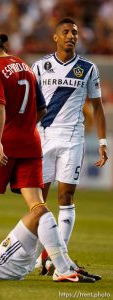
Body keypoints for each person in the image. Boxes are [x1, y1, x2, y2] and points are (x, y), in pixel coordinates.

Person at [31, 18, 108, 274]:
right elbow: (29, 104)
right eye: (65, 32)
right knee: (37, 200)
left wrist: (102, 141)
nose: (71, 36)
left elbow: (97, 107)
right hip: (43, 137)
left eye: (74, 32)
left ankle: (55, 257)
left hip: (73, 139)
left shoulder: (87, 68)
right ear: (55, 37)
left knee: (66, 197)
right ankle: (40, 256)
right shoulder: (40, 67)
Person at [0, 28, 47, 252]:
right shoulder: (25, 66)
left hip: (1, 144)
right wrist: (24, 126)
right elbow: (41, 109)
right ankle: (57, 260)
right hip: (30, 143)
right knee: (37, 206)